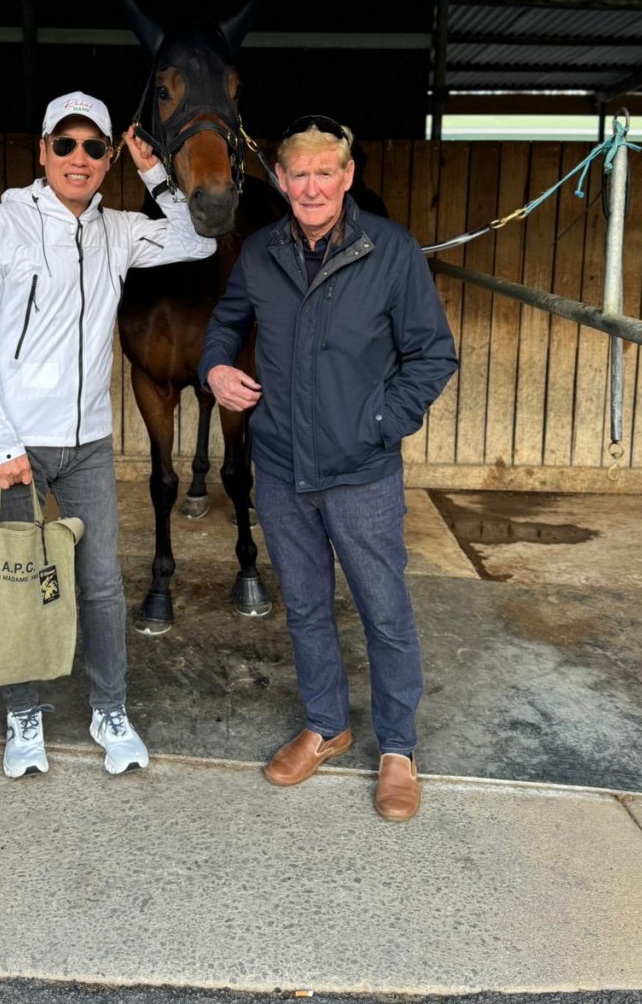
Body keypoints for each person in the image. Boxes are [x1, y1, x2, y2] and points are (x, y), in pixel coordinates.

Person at [0, 91, 216, 780]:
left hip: (89, 442)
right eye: (63, 145)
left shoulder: (121, 231)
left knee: (98, 584)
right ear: (41, 153)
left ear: (107, 159)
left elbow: (198, 238)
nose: (79, 158)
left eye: (94, 148)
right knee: (20, 582)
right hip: (18, 448)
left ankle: (110, 709)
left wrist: (156, 175)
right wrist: (1, 445)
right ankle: (23, 714)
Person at [199, 114, 457, 820]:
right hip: (281, 466)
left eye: (325, 173)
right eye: (299, 174)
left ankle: (399, 747)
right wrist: (216, 366)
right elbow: (226, 320)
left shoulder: (391, 251)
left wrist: (380, 422)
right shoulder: (260, 252)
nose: (312, 186)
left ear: (346, 177)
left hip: (362, 472)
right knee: (307, 605)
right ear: (280, 182)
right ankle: (327, 725)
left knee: (385, 610)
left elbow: (433, 354)